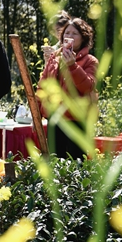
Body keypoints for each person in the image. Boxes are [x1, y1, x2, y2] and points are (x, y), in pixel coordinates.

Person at [38, 17, 98, 159]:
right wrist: (37, 113)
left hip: (77, 121)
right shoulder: (54, 58)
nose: (69, 37)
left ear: (83, 38)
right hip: (55, 119)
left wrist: (73, 66)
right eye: (67, 33)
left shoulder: (90, 61)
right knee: (54, 161)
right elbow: (42, 85)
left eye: (74, 34)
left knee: (76, 164)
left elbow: (88, 86)